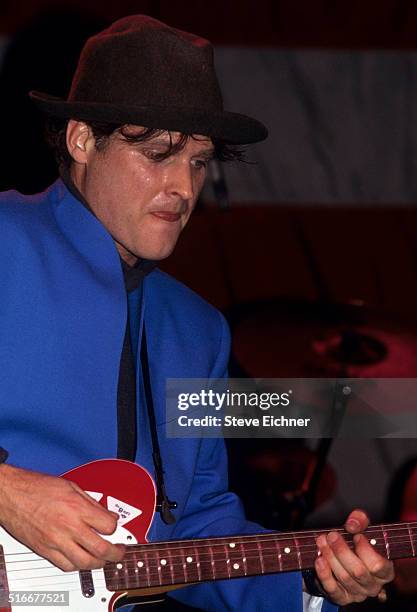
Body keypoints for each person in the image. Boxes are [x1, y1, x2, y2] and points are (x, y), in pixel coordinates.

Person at [0, 14, 393, 611]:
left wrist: (312, 577)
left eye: (199, 161)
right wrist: (9, 493)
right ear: (82, 140)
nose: (184, 187)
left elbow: (198, 529)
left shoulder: (199, 331)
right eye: (159, 153)